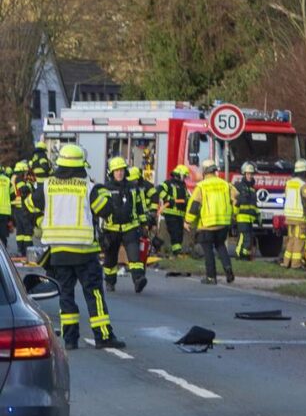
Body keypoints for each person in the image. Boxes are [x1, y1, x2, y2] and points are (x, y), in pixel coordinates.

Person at [24, 144, 126, 349]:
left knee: (66, 295)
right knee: (94, 294)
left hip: (59, 253)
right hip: (84, 252)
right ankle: (103, 336)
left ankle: (70, 340)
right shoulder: (88, 187)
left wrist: (41, 223)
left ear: (59, 163)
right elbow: (106, 210)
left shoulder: (47, 186)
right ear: (81, 165)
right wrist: (104, 192)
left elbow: (28, 207)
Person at [184, 159, 237, 285]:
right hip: (223, 224)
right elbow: (237, 199)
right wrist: (233, 214)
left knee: (208, 251)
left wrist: (187, 221)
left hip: (207, 225)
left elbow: (194, 206)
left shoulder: (202, 186)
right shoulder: (226, 185)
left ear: (204, 171)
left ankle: (211, 277)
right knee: (221, 246)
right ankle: (228, 269)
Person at [101, 157, 148, 293]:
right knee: (110, 259)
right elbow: (99, 209)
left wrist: (145, 224)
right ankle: (110, 282)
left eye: (121, 170)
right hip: (111, 229)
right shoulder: (106, 188)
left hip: (130, 227)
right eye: (116, 171)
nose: (119, 173)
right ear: (112, 173)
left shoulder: (133, 188)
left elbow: (140, 206)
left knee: (135, 257)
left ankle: (138, 280)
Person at [282, 159, 306, 269]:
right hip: (299, 217)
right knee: (299, 240)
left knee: (291, 239)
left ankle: (286, 262)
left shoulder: (289, 183)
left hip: (289, 216)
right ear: (304, 172)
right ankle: (296, 264)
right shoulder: (303, 184)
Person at [158, 164, 191, 256]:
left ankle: (176, 251)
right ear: (179, 174)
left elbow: (186, 196)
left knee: (179, 234)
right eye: (184, 176)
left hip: (180, 215)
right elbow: (159, 190)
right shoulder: (168, 183)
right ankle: (177, 252)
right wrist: (169, 199)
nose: (184, 178)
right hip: (170, 213)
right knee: (175, 233)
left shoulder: (183, 185)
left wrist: (188, 200)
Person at [233, 161, 258, 260]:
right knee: (244, 237)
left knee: (248, 238)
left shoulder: (252, 189)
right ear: (244, 174)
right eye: (248, 174)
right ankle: (239, 255)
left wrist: (258, 215)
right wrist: (234, 216)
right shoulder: (239, 186)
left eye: (251, 174)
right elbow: (236, 202)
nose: (250, 176)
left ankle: (246, 255)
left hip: (249, 218)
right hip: (242, 217)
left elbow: (254, 205)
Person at [11, 160, 34, 257]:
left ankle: (22, 251)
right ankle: (28, 251)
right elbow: (23, 190)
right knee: (27, 231)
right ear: (21, 171)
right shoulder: (19, 179)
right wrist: (30, 184)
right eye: (25, 172)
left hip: (17, 207)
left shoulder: (14, 177)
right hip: (22, 207)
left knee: (20, 231)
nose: (26, 174)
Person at [0, 169, 11, 247]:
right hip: (5, 210)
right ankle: (3, 248)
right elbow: (12, 193)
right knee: (3, 231)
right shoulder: (7, 180)